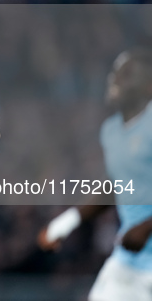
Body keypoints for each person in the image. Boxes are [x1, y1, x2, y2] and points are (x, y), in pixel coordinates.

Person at [38, 49, 152, 301]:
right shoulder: (111, 132)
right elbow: (117, 187)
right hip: (130, 263)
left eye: (127, 74)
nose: (116, 80)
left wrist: (146, 225)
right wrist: (67, 222)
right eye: (115, 73)